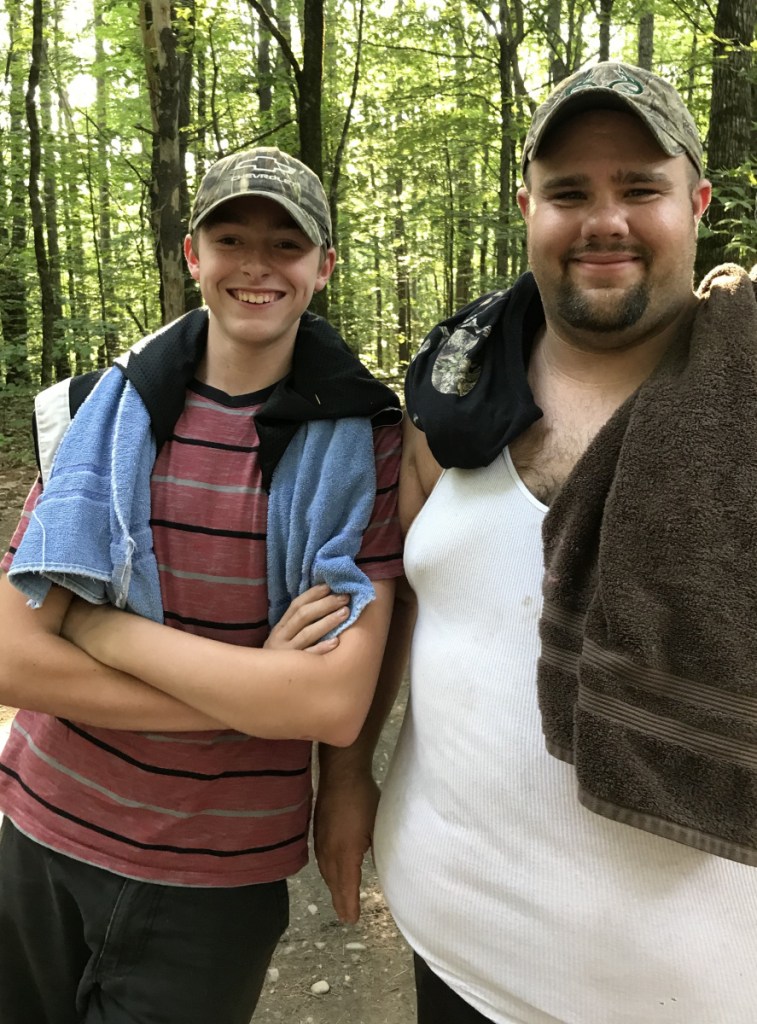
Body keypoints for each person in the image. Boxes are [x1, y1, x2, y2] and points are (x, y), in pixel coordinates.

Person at [314, 62, 757, 1023]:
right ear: (526, 209)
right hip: (453, 956)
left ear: (697, 201)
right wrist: (344, 778)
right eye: (569, 192)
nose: (604, 220)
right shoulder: (457, 396)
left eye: (640, 187)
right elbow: (390, 594)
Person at [0, 147, 404, 1024]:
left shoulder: (366, 446)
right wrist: (258, 694)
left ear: (323, 267)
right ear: (194, 255)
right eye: (231, 238)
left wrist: (99, 632)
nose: (257, 266)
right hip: (38, 830)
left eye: (287, 244)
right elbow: (9, 660)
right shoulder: (96, 418)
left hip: (215, 879)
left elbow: (331, 705)